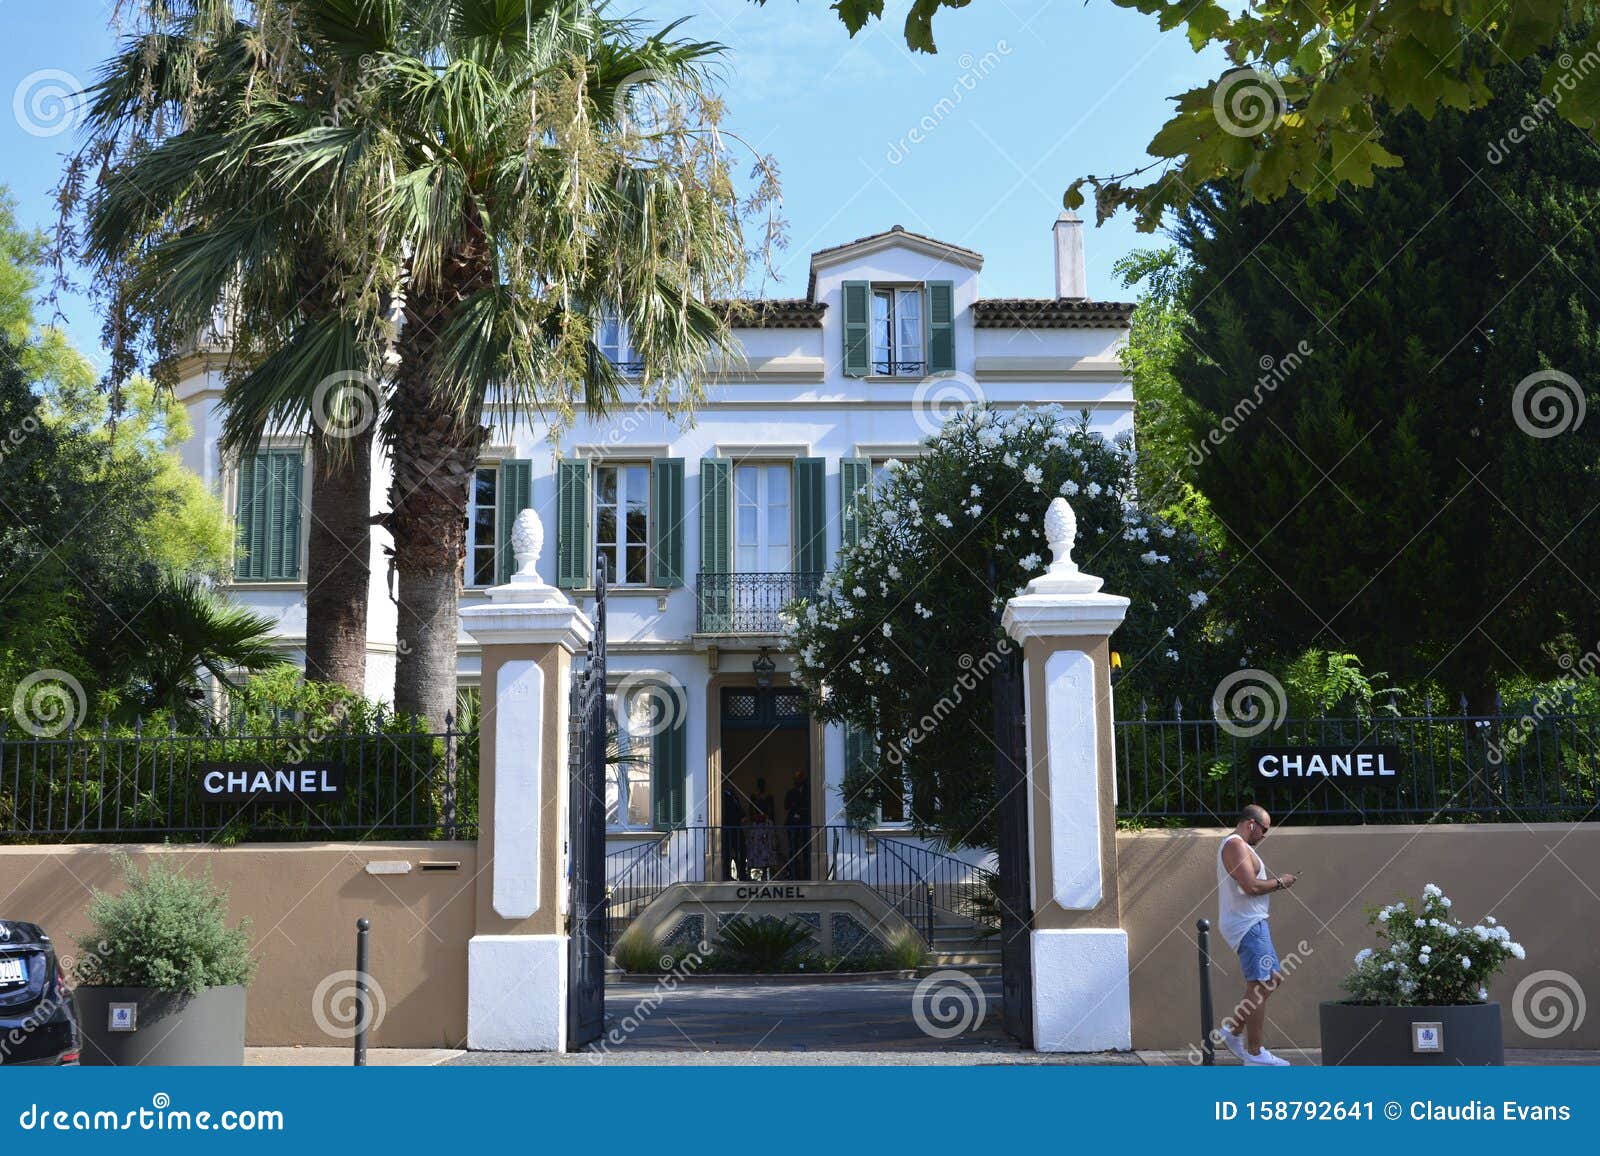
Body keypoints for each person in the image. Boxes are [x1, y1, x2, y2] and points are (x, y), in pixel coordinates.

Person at [1216, 803, 1297, 1066]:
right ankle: (1254, 1053)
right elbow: (1250, 886)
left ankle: (1233, 1030)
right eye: (1264, 830)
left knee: (1271, 978)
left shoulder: (1241, 846)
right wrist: (1281, 882)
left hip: (1253, 922)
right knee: (1261, 981)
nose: (1264, 836)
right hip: (1248, 923)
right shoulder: (1236, 844)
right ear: (1252, 824)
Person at [782, 770, 811, 880]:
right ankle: (792, 874)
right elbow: (786, 805)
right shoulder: (791, 792)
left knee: (806, 848)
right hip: (792, 822)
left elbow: (808, 804)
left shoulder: (808, 791)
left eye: (799, 778)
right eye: (795, 778)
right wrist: (794, 807)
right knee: (792, 848)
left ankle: (807, 874)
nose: (797, 780)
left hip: (804, 821)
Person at [721, 784, 747, 881]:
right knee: (728, 853)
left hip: (737, 829)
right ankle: (727, 875)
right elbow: (728, 813)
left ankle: (742, 874)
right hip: (729, 829)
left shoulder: (734, 796)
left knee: (741, 852)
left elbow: (739, 810)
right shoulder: (723, 797)